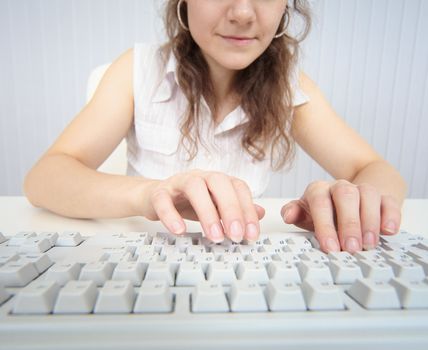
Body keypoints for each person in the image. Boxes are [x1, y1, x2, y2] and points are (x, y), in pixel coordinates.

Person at [24, 0, 406, 253]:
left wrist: (353, 201)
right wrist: (149, 194)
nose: (242, 12)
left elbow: (374, 170)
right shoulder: (137, 70)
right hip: (144, 259)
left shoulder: (292, 86)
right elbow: (45, 177)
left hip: (243, 264)